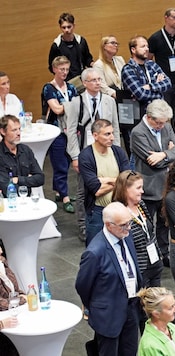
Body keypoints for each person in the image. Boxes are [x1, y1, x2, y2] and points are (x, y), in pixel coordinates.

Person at [75, 202, 142, 356]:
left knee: (130, 351)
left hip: (131, 307)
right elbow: (82, 286)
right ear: (108, 225)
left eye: (129, 222)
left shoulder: (126, 235)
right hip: (108, 315)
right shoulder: (94, 252)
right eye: (123, 225)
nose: (129, 228)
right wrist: (96, 306)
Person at [66, 68, 122, 242]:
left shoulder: (108, 101)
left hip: (107, 151)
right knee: (84, 189)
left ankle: (111, 220)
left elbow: (116, 127)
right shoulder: (76, 103)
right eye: (94, 80)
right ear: (84, 83)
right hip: (86, 150)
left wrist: (117, 151)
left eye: (99, 79)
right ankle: (84, 224)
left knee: (111, 185)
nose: (98, 83)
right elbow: (71, 130)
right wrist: (75, 156)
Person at [132, 99, 175, 266]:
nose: (162, 126)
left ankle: (164, 253)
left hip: (166, 186)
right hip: (148, 187)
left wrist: (163, 154)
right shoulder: (138, 132)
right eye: (159, 123)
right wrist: (169, 154)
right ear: (149, 118)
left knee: (164, 223)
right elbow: (153, 163)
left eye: (164, 123)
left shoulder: (166, 126)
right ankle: (149, 257)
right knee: (147, 225)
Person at [79, 119, 130, 245]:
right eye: (107, 134)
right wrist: (118, 180)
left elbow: (128, 180)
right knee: (95, 248)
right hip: (97, 211)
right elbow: (96, 190)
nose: (112, 137)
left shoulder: (119, 152)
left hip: (119, 209)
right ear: (95, 136)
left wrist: (105, 180)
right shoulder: (86, 156)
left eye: (112, 133)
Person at [121, 35, 172, 153]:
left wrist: (151, 86)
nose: (147, 49)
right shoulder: (128, 69)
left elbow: (168, 83)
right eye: (143, 46)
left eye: (147, 46)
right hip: (139, 117)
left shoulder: (152, 65)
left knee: (161, 149)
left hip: (158, 117)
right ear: (133, 50)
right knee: (142, 153)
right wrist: (158, 89)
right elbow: (140, 94)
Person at [112, 170, 163, 287]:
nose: (142, 191)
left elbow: (150, 229)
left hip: (154, 263)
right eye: (138, 188)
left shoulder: (141, 205)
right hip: (139, 269)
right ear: (125, 189)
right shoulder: (119, 213)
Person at [42, 55, 78, 213]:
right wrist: (69, 106)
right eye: (61, 69)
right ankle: (65, 197)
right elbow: (56, 109)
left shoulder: (71, 87)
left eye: (67, 69)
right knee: (60, 164)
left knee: (68, 160)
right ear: (55, 69)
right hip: (56, 131)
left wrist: (65, 105)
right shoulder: (48, 88)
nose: (64, 72)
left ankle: (58, 191)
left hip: (71, 129)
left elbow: (77, 107)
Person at [148, 8, 175, 131]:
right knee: (164, 115)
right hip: (164, 85)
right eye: (174, 17)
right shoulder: (155, 38)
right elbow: (148, 60)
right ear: (166, 18)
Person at [138, 287, 175, 356]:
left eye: (174, 305)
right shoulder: (150, 345)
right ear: (156, 314)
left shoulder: (172, 327)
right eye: (170, 308)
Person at [0, 115, 44, 197]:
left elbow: (40, 178)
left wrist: (18, 180)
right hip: (8, 202)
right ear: (3, 131)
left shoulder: (25, 150)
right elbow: (6, 187)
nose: (18, 133)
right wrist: (29, 179)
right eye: (14, 130)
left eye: (19, 129)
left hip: (27, 199)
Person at [47, 12, 93, 82]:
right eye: (64, 27)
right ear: (60, 27)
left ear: (74, 26)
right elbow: (52, 66)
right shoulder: (56, 46)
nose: (66, 30)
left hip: (82, 79)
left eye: (69, 27)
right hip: (65, 81)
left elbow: (87, 58)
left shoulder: (81, 41)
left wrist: (93, 64)